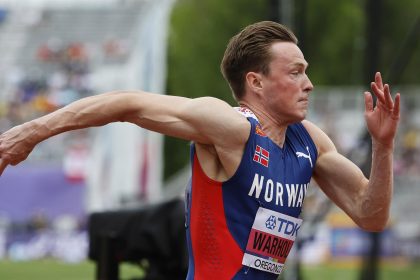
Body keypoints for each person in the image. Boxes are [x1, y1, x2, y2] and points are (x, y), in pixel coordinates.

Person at [0, 21, 400, 279]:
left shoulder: (309, 141)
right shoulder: (229, 127)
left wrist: (382, 146)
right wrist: (30, 132)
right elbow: (128, 103)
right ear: (256, 83)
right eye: (295, 72)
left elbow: (371, 214)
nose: (309, 83)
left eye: (306, 71)